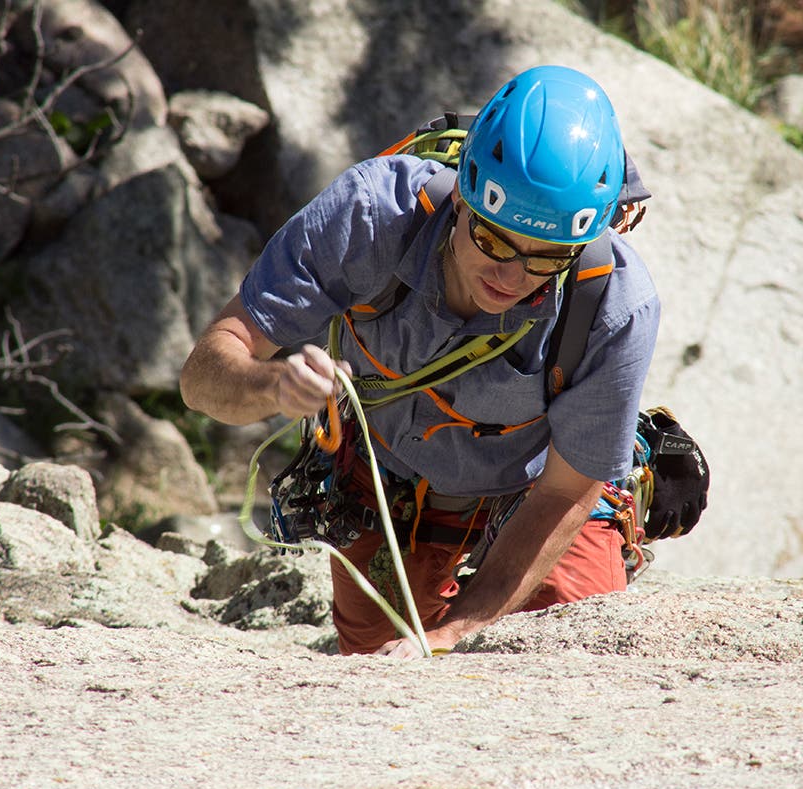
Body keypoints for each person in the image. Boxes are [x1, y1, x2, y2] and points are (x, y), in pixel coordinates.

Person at [181, 65, 673, 658]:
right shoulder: (372, 217)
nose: (511, 276)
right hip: (389, 488)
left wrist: (451, 633)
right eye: (493, 239)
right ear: (463, 193)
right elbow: (202, 378)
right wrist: (271, 385)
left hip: (538, 491)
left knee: (565, 649)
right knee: (371, 654)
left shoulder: (613, 303)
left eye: (546, 258)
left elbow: (566, 491)